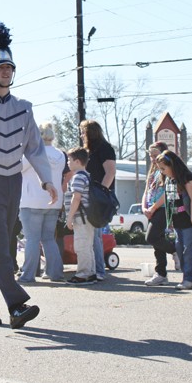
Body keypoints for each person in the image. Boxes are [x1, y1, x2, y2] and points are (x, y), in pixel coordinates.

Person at [0, 21, 56, 329]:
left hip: (14, 181)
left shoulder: (25, 107)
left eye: (9, 67)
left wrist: (47, 179)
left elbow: (35, 148)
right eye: (0, 67)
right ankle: (17, 304)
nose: (6, 71)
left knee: (4, 248)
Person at [18, 121, 65, 283]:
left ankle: (28, 274)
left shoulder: (33, 152)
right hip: (54, 201)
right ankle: (55, 273)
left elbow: (16, 168)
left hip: (31, 201)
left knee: (31, 239)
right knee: (48, 238)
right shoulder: (60, 155)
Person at [156, 150, 192, 290]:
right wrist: (169, 220)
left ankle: (190, 278)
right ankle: (186, 276)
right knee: (179, 249)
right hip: (178, 221)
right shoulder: (169, 180)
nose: (162, 172)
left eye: (164, 168)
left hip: (190, 220)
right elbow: (170, 201)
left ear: (172, 165)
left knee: (189, 250)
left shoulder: (186, 177)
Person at [80, 120, 115, 281]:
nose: (81, 135)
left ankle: (99, 270)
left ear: (90, 133)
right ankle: (93, 268)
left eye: (83, 132)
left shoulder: (105, 149)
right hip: (88, 196)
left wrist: (101, 193)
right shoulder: (88, 151)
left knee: (95, 235)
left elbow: (110, 172)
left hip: (99, 198)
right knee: (89, 235)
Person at [142, 142, 176, 286]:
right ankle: (161, 273)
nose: (153, 159)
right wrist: (145, 208)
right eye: (151, 156)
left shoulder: (166, 172)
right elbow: (146, 191)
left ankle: (176, 250)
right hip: (151, 210)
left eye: (156, 156)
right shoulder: (152, 172)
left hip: (161, 209)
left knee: (151, 237)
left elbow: (168, 194)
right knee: (157, 243)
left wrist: (154, 208)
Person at [63, 147, 95, 285]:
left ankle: (83, 274)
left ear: (77, 161)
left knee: (81, 246)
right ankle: (91, 272)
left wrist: (69, 218)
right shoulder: (86, 175)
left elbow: (76, 198)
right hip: (87, 218)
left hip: (80, 218)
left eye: (69, 160)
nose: (68, 163)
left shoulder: (78, 177)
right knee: (87, 246)